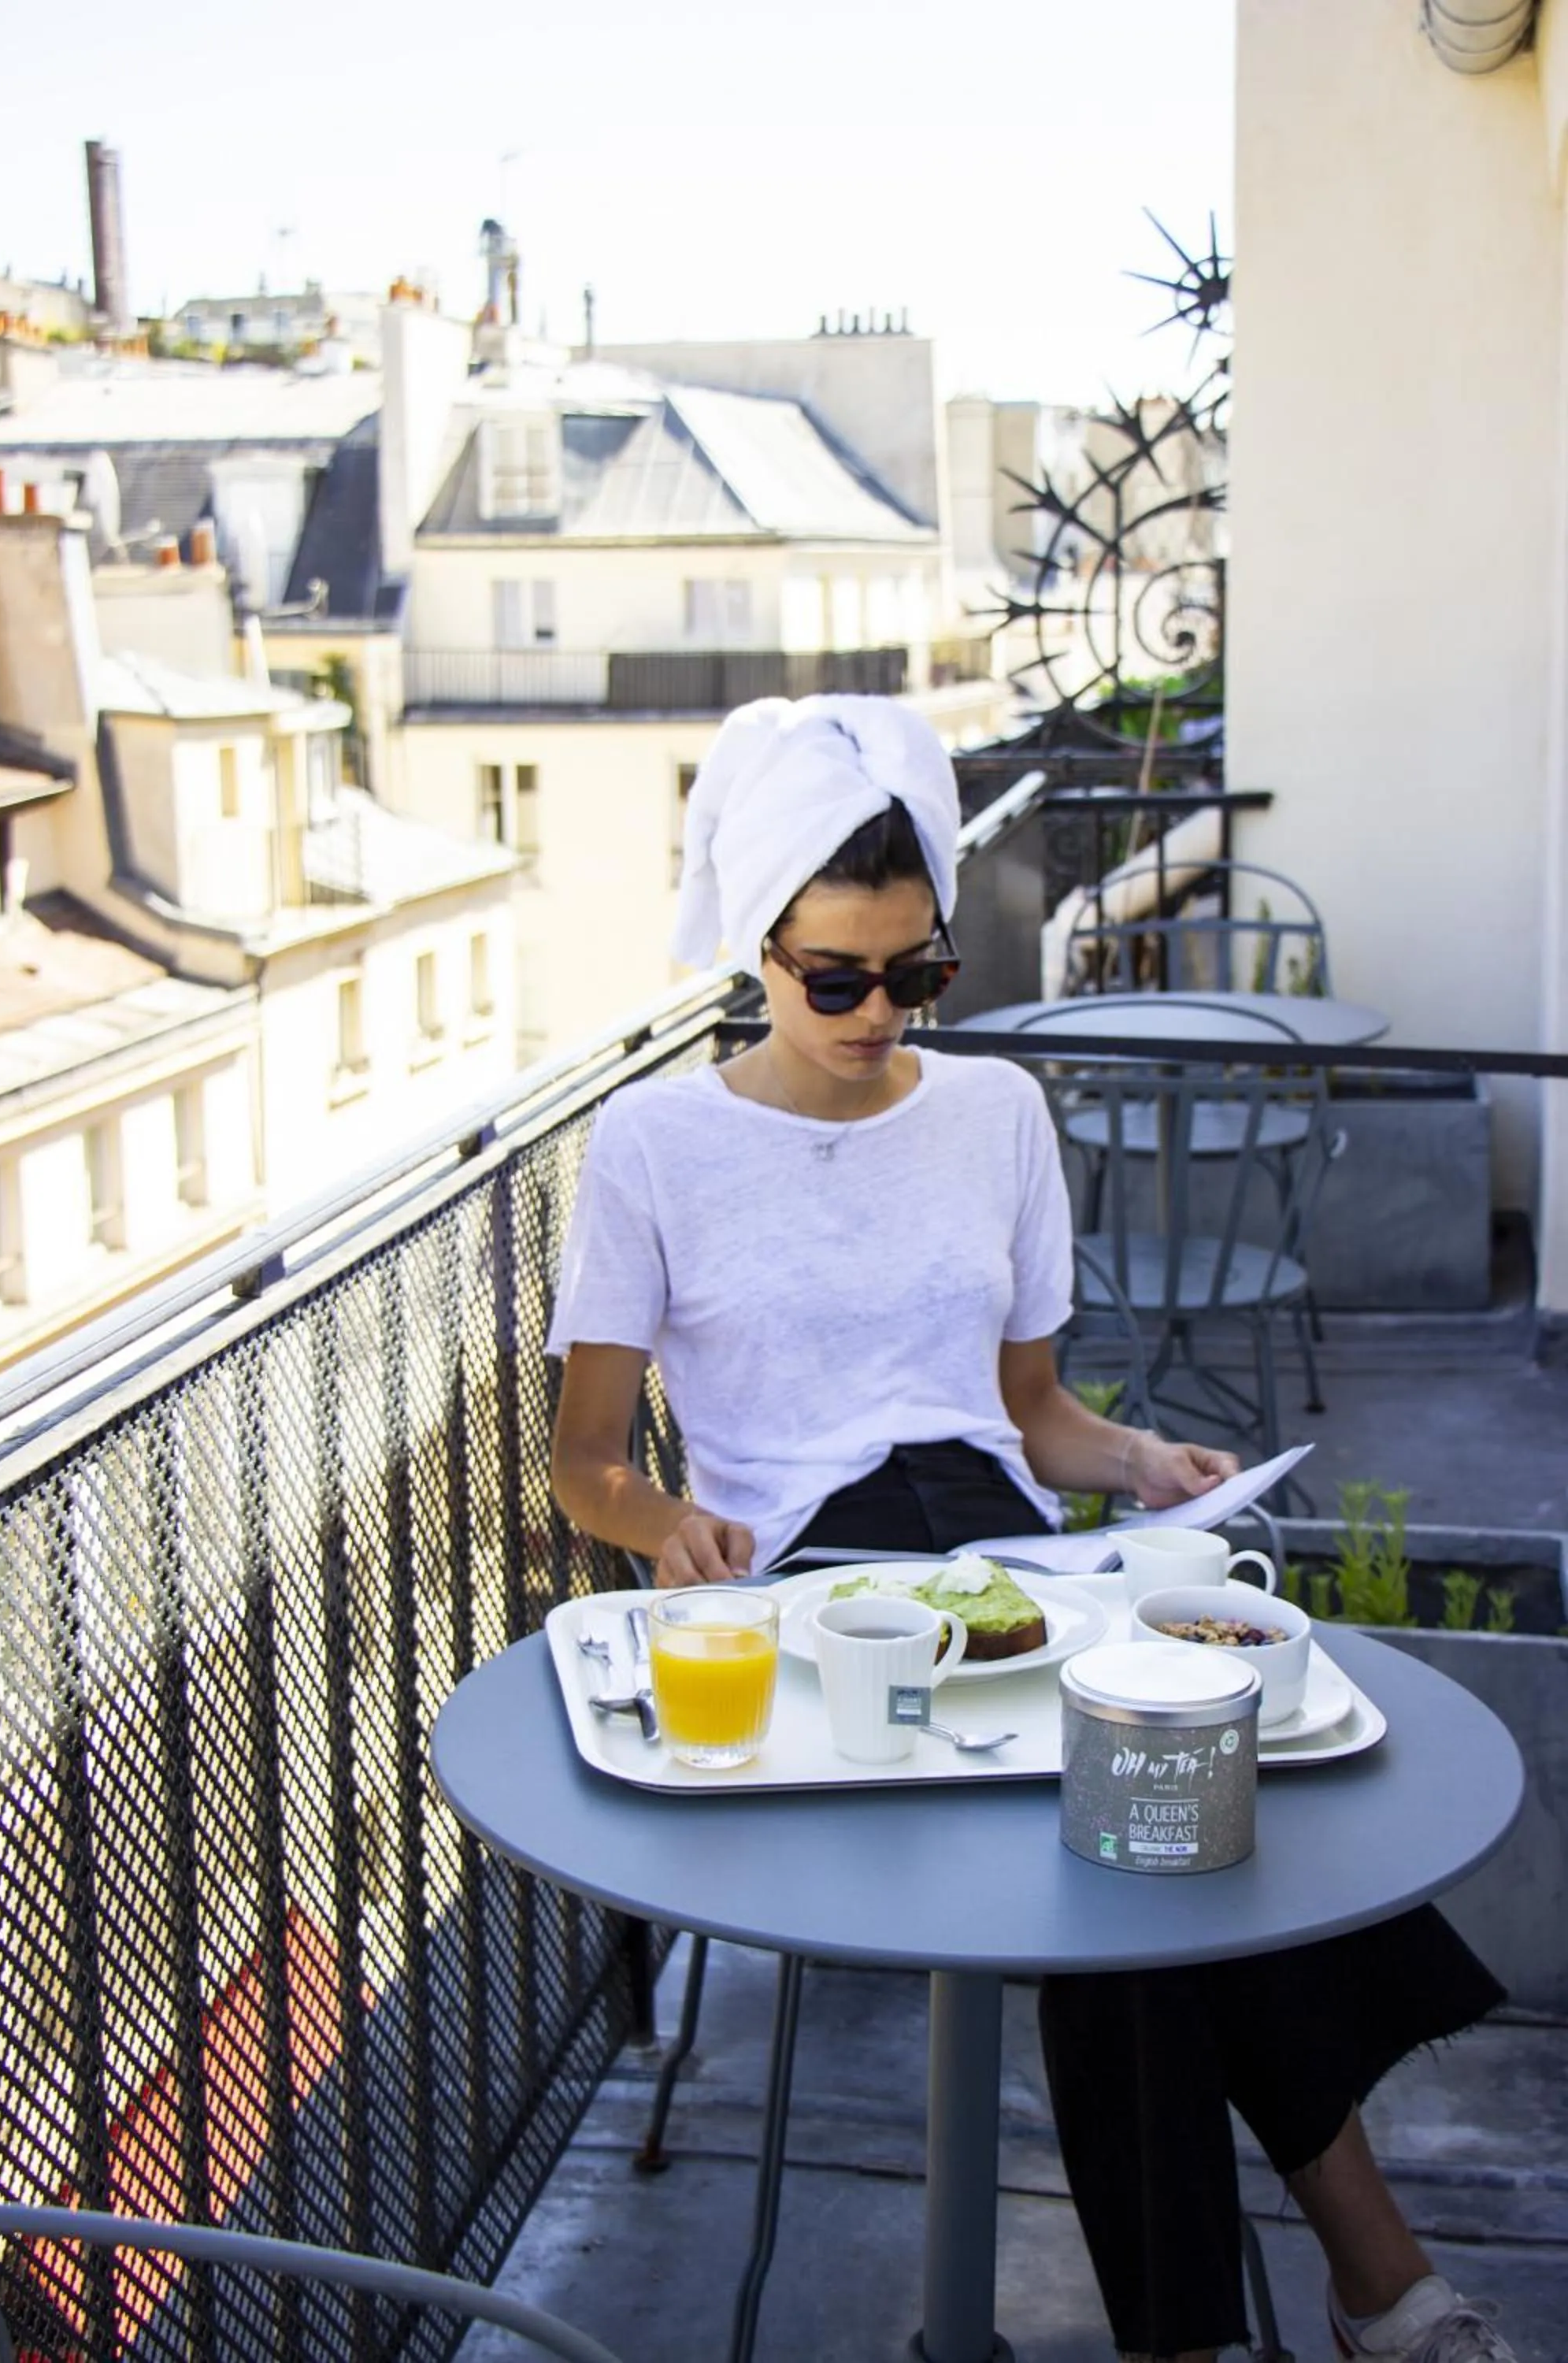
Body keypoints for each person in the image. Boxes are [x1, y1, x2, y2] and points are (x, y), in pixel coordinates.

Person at [547, 695, 1513, 2363]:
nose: (871, 1011)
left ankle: (1254, 2327)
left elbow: (1034, 1414)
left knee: (1160, 1827)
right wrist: (669, 1523)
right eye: (830, 976)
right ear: (756, 954)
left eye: (913, 973)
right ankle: (1374, 2290)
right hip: (818, 1593)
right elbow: (580, 1464)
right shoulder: (653, 1146)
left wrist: (1142, 1463)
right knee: (1151, 1841)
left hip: (1010, 1560)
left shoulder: (993, 1116)